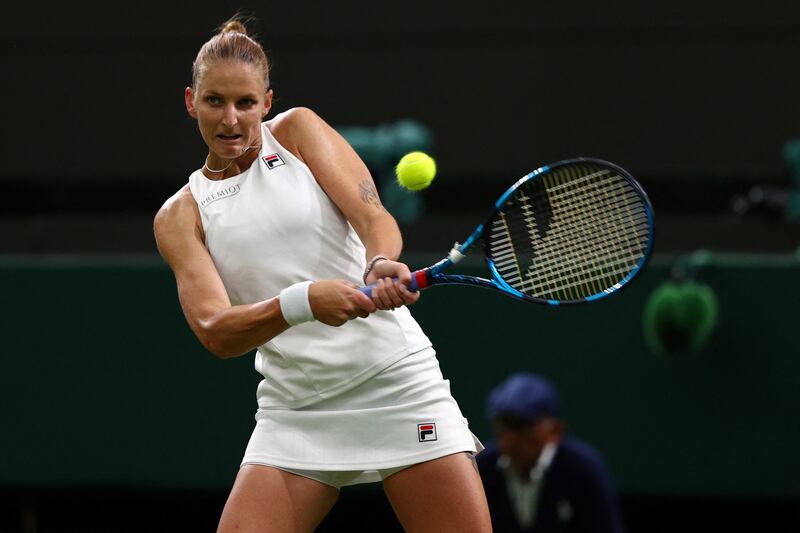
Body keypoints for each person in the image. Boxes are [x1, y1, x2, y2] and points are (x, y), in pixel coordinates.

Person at [153, 15, 491, 533]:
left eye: (246, 102)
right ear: (189, 101)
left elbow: (374, 218)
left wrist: (379, 262)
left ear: (266, 102)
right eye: (214, 101)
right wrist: (304, 301)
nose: (231, 119)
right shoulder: (181, 215)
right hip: (296, 408)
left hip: (395, 382)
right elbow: (216, 332)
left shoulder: (298, 132)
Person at [476, 373, 624, 533]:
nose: (510, 437)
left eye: (521, 425)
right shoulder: (483, 466)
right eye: (502, 424)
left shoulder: (584, 468)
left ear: (554, 430)